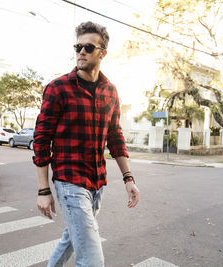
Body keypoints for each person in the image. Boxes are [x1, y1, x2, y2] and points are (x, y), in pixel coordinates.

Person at [33, 21, 140, 267]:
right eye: (78, 46)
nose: (81, 51)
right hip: (69, 182)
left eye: (88, 47)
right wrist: (43, 190)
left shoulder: (110, 91)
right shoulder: (58, 88)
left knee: (72, 238)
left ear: (102, 52)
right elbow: (41, 140)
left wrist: (129, 178)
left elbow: (115, 138)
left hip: (97, 183)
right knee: (91, 258)